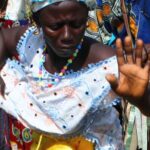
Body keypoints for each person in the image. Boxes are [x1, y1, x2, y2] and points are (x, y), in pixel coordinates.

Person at [0, 0, 150, 149]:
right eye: (55, 26)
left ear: (86, 19)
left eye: (76, 25)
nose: (67, 35)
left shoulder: (104, 62)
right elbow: (3, 38)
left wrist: (140, 99)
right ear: (38, 22)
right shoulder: (30, 43)